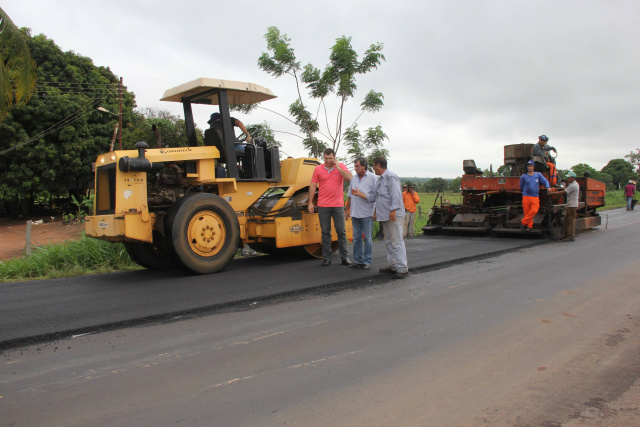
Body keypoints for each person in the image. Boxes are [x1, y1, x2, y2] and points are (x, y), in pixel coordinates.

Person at [308, 148, 353, 266]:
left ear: (334, 157)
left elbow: (350, 179)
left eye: (330, 158)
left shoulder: (341, 166)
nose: (328, 161)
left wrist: (338, 167)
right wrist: (310, 203)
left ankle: (345, 257)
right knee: (325, 232)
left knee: (341, 232)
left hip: (338, 205)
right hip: (323, 205)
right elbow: (313, 185)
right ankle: (327, 257)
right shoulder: (318, 169)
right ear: (323, 157)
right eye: (326, 158)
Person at [372, 156, 408, 279]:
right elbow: (378, 198)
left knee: (396, 240)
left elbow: (396, 195)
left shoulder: (391, 177)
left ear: (378, 165)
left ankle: (402, 268)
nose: (373, 168)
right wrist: (376, 212)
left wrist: (393, 210)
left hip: (393, 214)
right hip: (384, 214)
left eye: (373, 165)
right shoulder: (380, 180)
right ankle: (392, 265)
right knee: (388, 239)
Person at [345, 157, 377, 270]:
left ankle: (367, 261)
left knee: (367, 238)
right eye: (355, 167)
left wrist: (360, 194)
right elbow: (349, 195)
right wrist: (347, 210)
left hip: (367, 213)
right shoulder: (353, 179)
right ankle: (358, 260)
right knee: (356, 237)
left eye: (357, 166)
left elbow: (375, 197)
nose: (356, 169)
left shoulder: (373, 178)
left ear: (364, 166)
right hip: (355, 213)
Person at [520, 160, 551, 231]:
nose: (529, 167)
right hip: (526, 196)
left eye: (531, 166)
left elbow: (545, 181)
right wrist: (524, 191)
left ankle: (523, 222)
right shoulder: (523, 176)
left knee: (534, 210)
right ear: (527, 167)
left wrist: (548, 187)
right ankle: (529, 226)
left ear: (533, 167)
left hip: (535, 196)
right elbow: (521, 186)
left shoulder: (538, 175)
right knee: (527, 212)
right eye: (528, 166)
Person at [561, 171, 579, 241]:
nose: (567, 179)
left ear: (572, 178)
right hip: (570, 204)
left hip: (572, 205)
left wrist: (553, 193)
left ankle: (570, 236)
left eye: (568, 178)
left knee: (570, 221)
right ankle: (566, 235)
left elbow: (564, 192)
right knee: (566, 220)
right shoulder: (572, 184)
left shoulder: (573, 185)